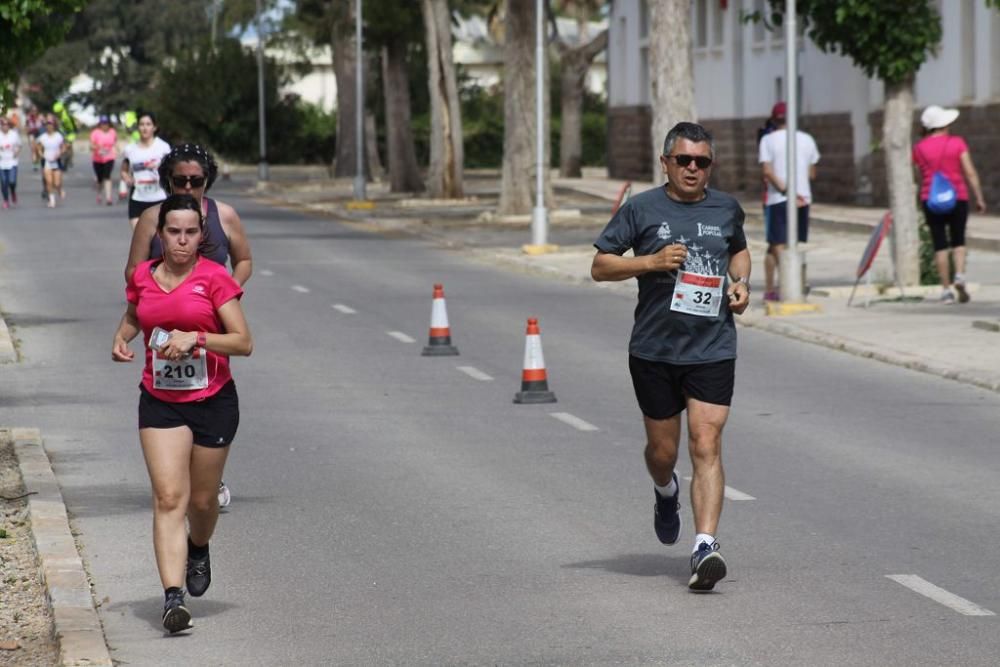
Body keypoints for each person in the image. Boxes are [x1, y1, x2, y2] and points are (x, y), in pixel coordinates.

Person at [591, 122, 751, 592]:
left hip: (712, 347)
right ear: (666, 163)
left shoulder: (726, 208)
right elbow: (600, 265)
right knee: (664, 453)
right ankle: (665, 492)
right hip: (654, 349)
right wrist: (650, 262)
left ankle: (705, 546)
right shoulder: (641, 209)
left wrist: (740, 284)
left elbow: (739, 251)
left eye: (702, 162)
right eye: (684, 160)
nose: (693, 169)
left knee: (706, 444)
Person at [112, 194, 253, 633]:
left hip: (213, 399)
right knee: (169, 497)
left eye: (191, 233)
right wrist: (123, 336)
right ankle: (173, 598)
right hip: (160, 401)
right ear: (160, 235)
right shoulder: (143, 276)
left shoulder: (213, 279)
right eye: (174, 232)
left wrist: (197, 338)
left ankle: (198, 545)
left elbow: (243, 342)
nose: (182, 241)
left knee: (201, 501)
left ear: (201, 236)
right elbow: (138, 312)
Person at [125, 143, 253, 508]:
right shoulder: (153, 218)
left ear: (206, 181)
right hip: (163, 320)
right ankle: (176, 479)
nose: (187, 188)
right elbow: (132, 271)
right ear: (168, 181)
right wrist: (146, 304)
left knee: (211, 390)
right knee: (168, 398)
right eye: (179, 180)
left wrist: (225, 294)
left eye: (195, 181)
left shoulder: (224, 215)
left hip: (208, 314)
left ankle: (205, 476)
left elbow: (243, 260)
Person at [912, 104, 987, 304]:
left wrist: (923, 195)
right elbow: (969, 171)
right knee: (958, 241)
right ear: (944, 124)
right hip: (957, 197)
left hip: (930, 198)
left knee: (939, 245)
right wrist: (979, 197)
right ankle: (959, 276)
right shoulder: (957, 143)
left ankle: (945, 290)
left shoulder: (919, 148)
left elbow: (919, 176)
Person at [758, 101, 820, 302]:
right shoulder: (808, 139)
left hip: (778, 198)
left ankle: (784, 285)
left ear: (774, 119)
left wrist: (786, 190)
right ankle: (791, 284)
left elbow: (767, 171)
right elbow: (812, 173)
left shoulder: (767, 140)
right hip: (803, 198)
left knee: (776, 244)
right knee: (792, 244)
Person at [120, 112, 171, 229]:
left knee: (158, 240)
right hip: (137, 198)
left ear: (154, 127)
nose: (145, 127)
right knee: (140, 239)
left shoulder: (163, 147)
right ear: (138, 127)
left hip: (159, 198)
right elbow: (124, 169)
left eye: (148, 124)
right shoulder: (130, 149)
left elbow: (172, 169)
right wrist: (127, 178)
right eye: (141, 124)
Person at [36, 118, 66, 208]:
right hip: (47, 161)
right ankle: (52, 200)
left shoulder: (58, 136)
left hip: (56, 160)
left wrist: (59, 154)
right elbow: (39, 147)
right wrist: (41, 155)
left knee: (56, 183)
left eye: (51, 124)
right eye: (47, 125)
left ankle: (60, 190)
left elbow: (63, 147)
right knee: (49, 182)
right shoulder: (43, 137)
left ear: (54, 126)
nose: (49, 126)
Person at [90, 115, 118, 206]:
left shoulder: (112, 132)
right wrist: (98, 147)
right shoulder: (95, 133)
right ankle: (99, 193)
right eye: (102, 123)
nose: (104, 125)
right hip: (97, 158)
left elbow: (115, 143)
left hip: (109, 157)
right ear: (100, 124)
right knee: (99, 179)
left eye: (106, 123)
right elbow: (91, 146)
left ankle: (108, 197)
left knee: (107, 176)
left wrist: (115, 149)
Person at [0, 116, 22, 209]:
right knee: (4, 182)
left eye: (6, 125)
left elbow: (19, 145)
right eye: (3, 125)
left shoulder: (14, 134)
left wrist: (16, 152)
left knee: (12, 182)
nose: (5, 127)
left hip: (12, 161)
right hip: (1, 162)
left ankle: (12, 192)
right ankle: (5, 200)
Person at [52, 101, 77, 170]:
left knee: (67, 147)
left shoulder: (65, 117)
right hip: (63, 133)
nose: (56, 114)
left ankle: (69, 160)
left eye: (57, 112)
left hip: (70, 133)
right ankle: (65, 161)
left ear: (61, 110)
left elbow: (71, 127)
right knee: (63, 147)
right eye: (56, 113)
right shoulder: (59, 116)